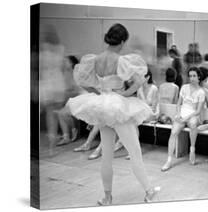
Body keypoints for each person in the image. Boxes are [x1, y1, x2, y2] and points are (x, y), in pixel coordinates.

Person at [67, 23, 160, 205]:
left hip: (102, 105)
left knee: (106, 155)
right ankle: (149, 191)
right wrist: (124, 94)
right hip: (117, 106)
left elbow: (81, 79)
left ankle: (107, 197)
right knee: (134, 151)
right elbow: (139, 81)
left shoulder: (94, 59)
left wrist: (98, 92)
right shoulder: (121, 60)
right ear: (123, 40)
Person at [161, 67, 206, 171]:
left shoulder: (201, 92)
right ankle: (168, 160)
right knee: (173, 132)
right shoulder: (184, 87)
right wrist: (177, 114)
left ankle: (192, 150)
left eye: (194, 76)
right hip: (182, 114)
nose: (192, 78)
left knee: (193, 124)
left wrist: (186, 118)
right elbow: (178, 103)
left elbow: (198, 111)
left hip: (193, 115)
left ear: (199, 77)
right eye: (190, 76)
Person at [39, 25, 66, 153]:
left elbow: (41, 68)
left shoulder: (43, 50)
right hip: (59, 83)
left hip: (48, 84)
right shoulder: (60, 49)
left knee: (50, 115)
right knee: (54, 114)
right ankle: (53, 143)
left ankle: (51, 142)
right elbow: (62, 67)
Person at [56, 55, 81, 146]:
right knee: (60, 111)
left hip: (81, 97)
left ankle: (71, 132)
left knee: (61, 112)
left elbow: (77, 89)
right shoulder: (66, 73)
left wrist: (65, 94)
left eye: (65, 61)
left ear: (71, 63)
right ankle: (68, 134)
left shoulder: (77, 73)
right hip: (73, 98)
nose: (63, 63)